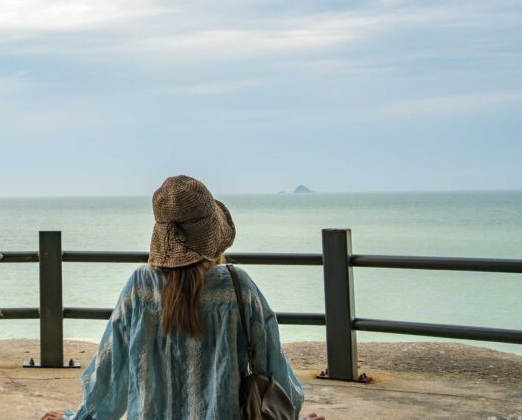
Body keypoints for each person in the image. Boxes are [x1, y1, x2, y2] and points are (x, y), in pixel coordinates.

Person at [40, 175, 323, 420]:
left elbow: (109, 372)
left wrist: (78, 417)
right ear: (212, 235)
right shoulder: (238, 286)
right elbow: (272, 367)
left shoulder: (140, 285)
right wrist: (292, 413)